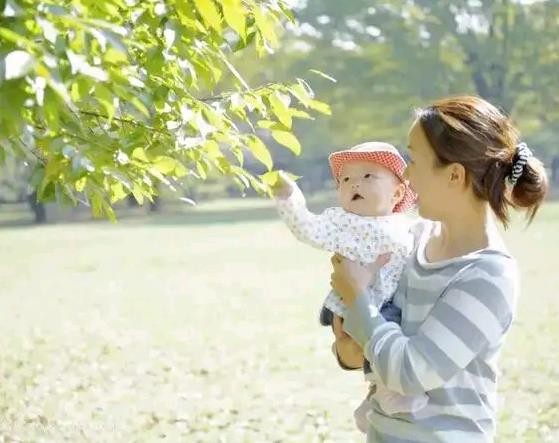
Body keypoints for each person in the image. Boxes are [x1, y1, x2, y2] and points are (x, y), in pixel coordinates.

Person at [330, 95, 549, 442]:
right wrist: (349, 347)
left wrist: (356, 297)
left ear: (454, 175)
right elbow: (362, 347)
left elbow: (410, 371)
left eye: (414, 160)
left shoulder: (487, 276)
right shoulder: (411, 241)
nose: (405, 173)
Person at [270, 142, 427, 431]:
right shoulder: (344, 223)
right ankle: (390, 393)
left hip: (390, 302)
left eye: (368, 176)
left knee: (396, 335)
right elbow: (308, 229)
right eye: (346, 179)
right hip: (358, 304)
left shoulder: (408, 226)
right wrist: (288, 197)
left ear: (397, 193)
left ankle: (376, 395)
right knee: (386, 335)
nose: (355, 182)